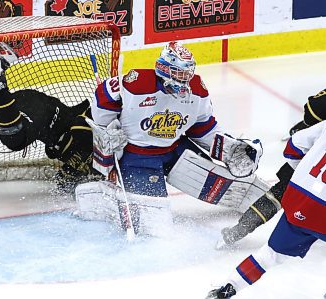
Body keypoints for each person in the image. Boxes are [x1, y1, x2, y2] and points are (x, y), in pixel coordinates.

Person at [75, 41, 264, 235]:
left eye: (187, 75)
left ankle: (264, 202)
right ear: (164, 69)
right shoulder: (136, 84)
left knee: (222, 184)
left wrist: (230, 149)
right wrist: (108, 129)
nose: (185, 81)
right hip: (138, 158)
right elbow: (102, 100)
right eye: (180, 74)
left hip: (175, 150)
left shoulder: (197, 90)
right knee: (156, 225)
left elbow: (202, 128)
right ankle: (109, 200)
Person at [0, 43, 99, 191]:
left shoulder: (99, 147)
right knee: (14, 141)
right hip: (40, 116)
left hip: (30, 103)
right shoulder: (92, 151)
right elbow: (63, 183)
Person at [207, 121, 326, 299]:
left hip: (299, 196)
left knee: (269, 254)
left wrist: (301, 170)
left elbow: (293, 146)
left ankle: (228, 288)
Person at [220, 88, 326, 245]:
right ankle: (241, 228)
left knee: (280, 192)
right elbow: (313, 109)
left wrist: (301, 168)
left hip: (312, 161)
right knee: (280, 193)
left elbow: (311, 113)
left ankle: (241, 228)